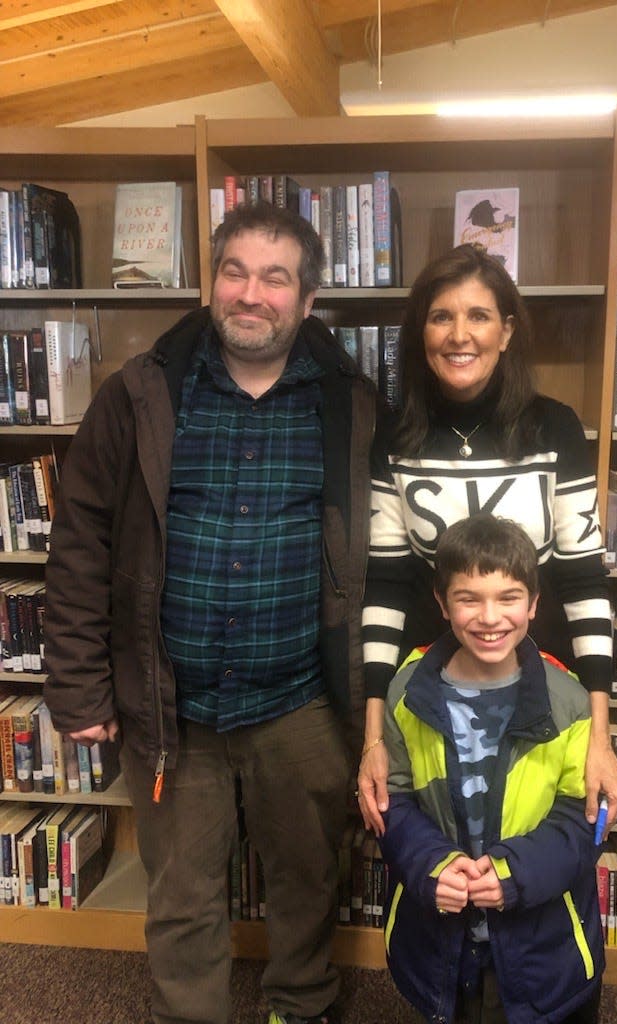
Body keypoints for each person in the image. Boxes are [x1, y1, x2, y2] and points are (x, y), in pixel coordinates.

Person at [43, 202, 377, 1024]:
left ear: (307, 301)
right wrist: (79, 688)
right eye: (235, 271)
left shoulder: (353, 405)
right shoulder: (140, 393)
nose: (251, 293)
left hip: (303, 705)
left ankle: (299, 1006)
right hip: (170, 709)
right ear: (209, 281)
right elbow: (81, 538)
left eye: (275, 277)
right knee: (182, 895)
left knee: (306, 882)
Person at [359, 243, 617, 836]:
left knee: (540, 852)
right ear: (420, 332)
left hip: (541, 694)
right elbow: (385, 587)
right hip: (433, 700)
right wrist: (374, 737)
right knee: (440, 852)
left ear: (506, 332)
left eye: (478, 316)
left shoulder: (554, 428)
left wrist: (600, 736)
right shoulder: (395, 439)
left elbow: (585, 581)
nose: (460, 335)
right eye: (441, 316)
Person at [379, 512, 605, 1024]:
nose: (489, 617)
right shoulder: (406, 693)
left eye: (508, 598)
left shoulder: (568, 700)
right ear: (441, 603)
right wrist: (430, 864)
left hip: (544, 945)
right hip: (441, 936)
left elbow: (583, 821)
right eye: (468, 598)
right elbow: (392, 803)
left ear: (534, 603)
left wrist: (514, 873)